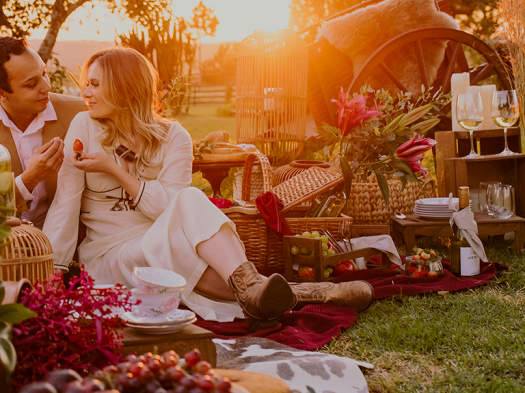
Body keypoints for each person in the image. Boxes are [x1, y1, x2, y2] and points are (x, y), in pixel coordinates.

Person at [42, 47, 372, 329]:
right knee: (186, 230)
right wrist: (53, 271)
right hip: (112, 254)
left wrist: (113, 169)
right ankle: (305, 292)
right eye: (86, 84)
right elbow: (65, 203)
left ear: (124, 87)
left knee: (187, 199)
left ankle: (257, 295)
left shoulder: (174, 137)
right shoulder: (83, 126)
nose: (85, 93)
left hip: (164, 238)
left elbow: (166, 209)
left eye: (95, 85)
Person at [0, 37, 86, 228]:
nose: (46, 87)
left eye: (44, 74)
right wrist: (29, 179)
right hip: (3, 243)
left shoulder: (79, 112)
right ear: (0, 93)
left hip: (70, 242)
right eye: (31, 84)